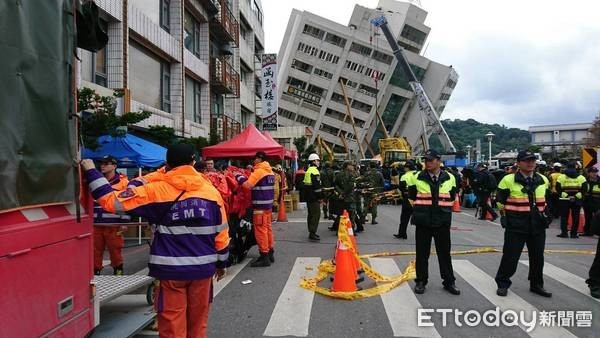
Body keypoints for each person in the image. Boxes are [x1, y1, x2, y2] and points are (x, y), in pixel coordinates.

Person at [81, 143, 229, 337]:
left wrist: (91, 172)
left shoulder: (155, 190)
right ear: (193, 162)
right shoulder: (211, 192)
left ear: (167, 163)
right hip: (203, 271)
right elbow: (222, 234)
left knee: (172, 324)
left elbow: (112, 201)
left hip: (170, 271)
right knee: (198, 323)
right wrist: (221, 263)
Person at [494, 150, 552, 298]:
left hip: (537, 225)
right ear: (519, 163)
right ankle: (503, 283)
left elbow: (548, 199)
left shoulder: (543, 179)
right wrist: (504, 217)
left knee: (537, 257)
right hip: (516, 225)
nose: (530, 163)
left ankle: (537, 284)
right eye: (526, 160)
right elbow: (500, 200)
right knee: (511, 256)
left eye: (532, 160)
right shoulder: (508, 180)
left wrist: (547, 215)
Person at [408, 149, 460, 295]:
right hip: (423, 222)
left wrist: (442, 212)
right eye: (426, 160)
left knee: (444, 253)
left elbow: (451, 197)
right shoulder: (416, 177)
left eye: (431, 160)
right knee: (422, 254)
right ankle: (421, 281)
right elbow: (412, 197)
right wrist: (421, 211)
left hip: (442, 221)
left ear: (439, 160)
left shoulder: (450, 177)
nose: (428, 163)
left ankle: (449, 281)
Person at [235, 151, 276, 267]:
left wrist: (239, 176)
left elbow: (248, 185)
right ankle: (270, 252)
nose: (253, 161)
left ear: (259, 159)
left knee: (260, 231)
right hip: (268, 206)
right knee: (268, 229)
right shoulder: (270, 171)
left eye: (254, 159)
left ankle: (264, 256)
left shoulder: (259, 171)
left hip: (260, 207)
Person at [93, 155, 129, 275]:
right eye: (101, 163)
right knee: (95, 250)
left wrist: (124, 221)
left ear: (114, 166)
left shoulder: (123, 183)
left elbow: (126, 203)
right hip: (96, 223)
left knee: (115, 249)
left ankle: (118, 271)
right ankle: (95, 272)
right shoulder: (95, 181)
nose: (102, 166)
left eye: (106, 164)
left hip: (114, 224)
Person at [556, 161, 586, 238]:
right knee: (575, 217)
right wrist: (575, 197)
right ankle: (574, 234)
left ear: (566, 167)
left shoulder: (561, 177)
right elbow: (584, 189)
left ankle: (564, 233)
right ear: (575, 167)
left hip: (564, 199)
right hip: (577, 200)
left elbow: (558, 188)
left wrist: (566, 196)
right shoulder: (581, 178)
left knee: (564, 216)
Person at [330, 161, 359, 232]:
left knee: (341, 214)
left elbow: (335, 185)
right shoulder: (352, 175)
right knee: (352, 215)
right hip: (350, 198)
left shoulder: (338, 174)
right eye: (351, 165)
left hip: (341, 198)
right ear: (347, 166)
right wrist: (344, 194)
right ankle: (351, 231)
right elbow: (351, 186)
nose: (353, 167)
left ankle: (339, 230)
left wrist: (341, 193)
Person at [394, 160, 417, 239]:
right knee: (419, 218)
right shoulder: (419, 174)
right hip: (419, 199)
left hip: (408, 199)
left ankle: (402, 233)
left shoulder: (405, 176)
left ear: (407, 168)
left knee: (404, 217)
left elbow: (401, 188)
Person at [304, 153, 323, 241]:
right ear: (314, 161)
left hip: (308, 197)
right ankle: (312, 232)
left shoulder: (308, 171)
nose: (318, 162)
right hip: (314, 197)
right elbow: (317, 187)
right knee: (316, 215)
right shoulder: (315, 171)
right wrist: (320, 198)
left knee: (311, 215)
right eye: (318, 160)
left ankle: (311, 231)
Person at [582, 167, 600, 236]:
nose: (594, 174)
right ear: (589, 173)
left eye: (596, 172)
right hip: (587, 202)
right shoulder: (585, 181)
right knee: (588, 218)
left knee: (598, 218)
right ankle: (588, 232)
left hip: (597, 203)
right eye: (592, 172)